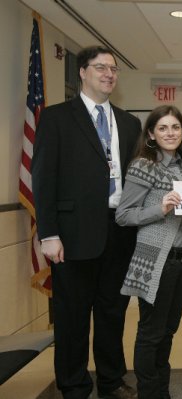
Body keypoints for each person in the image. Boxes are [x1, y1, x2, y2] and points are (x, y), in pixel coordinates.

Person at [31, 46, 140, 399]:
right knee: (73, 317)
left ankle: (111, 381)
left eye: (114, 68)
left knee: (112, 313)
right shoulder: (57, 118)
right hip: (73, 235)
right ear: (82, 72)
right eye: (100, 67)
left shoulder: (128, 122)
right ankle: (74, 385)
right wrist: (48, 233)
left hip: (119, 231)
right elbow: (43, 178)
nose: (108, 74)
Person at [115, 105, 182, 399]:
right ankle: (149, 392)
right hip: (157, 261)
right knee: (151, 334)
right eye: (162, 128)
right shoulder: (143, 165)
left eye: (175, 127)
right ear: (150, 133)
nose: (170, 133)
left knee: (167, 331)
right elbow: (123, 215)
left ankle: (161, 389)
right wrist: (160, 208)